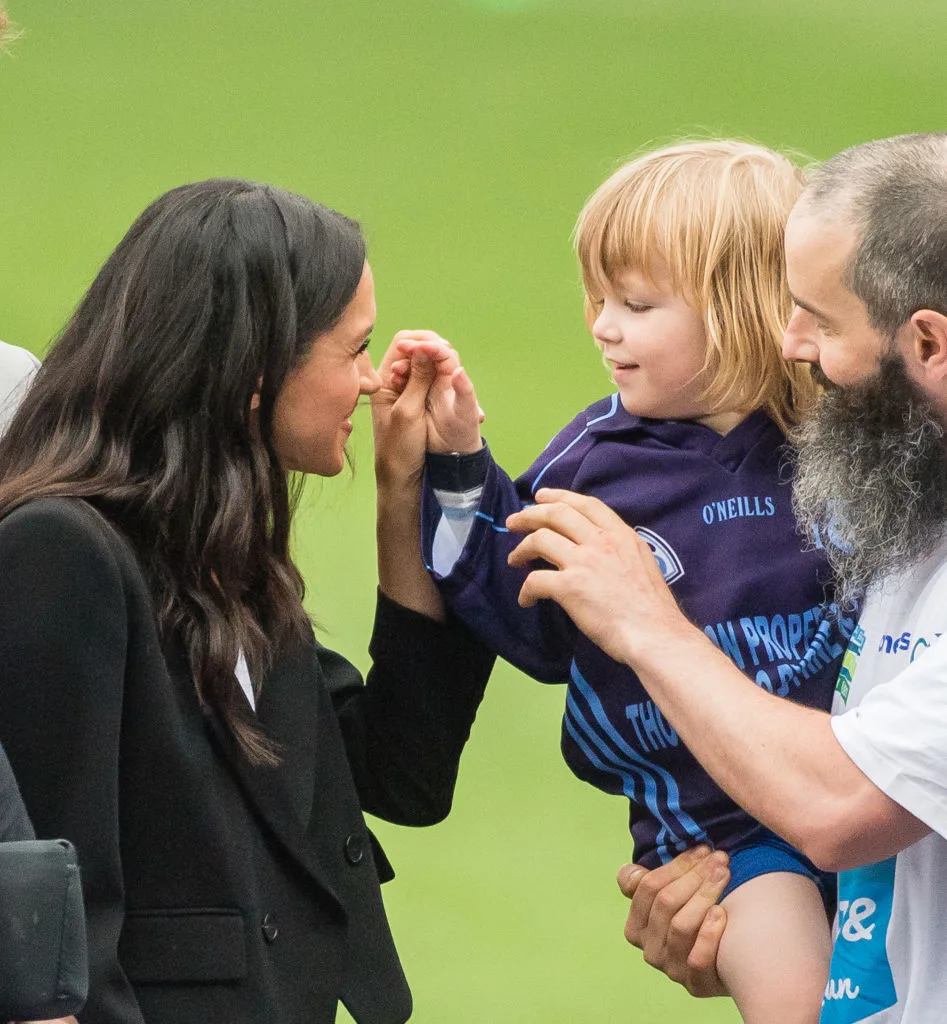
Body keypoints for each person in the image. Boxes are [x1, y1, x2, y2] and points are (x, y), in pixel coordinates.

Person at [0, 178, 494, 1024]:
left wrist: (404, 497)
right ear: (256, 370)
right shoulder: (62, 552)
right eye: (353, 350)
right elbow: (60, 908)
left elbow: (405, 777)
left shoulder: (227, 561)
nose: (373, 383)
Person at [392, 140, 851, 1023]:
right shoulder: (597, 462)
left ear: (746, 310)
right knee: (799, 1003)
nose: (603, 326)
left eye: (636, 304)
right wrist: (455, 462)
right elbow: (518, 613)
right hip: (729, 844)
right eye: (599, 299)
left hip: (873, 805)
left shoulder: (846, 450)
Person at [503, 132, 947, 1023]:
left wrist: (646, 623)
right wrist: (749, 914)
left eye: (818, 320)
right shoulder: (900, 495)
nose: (787, 345)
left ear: (926, 341)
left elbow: (839, 806)